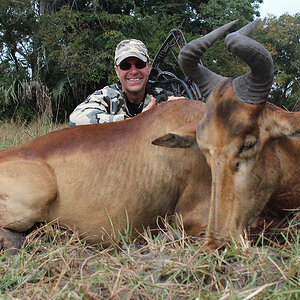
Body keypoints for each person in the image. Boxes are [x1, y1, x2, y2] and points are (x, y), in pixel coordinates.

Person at [69, 39, 175, 126]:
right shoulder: (106, 96)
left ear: (148, 67)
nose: (133, 71)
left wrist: (182, 107)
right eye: (125, 66)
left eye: (139, 64)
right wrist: (134, 122)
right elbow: (76, 119)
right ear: (117, 71)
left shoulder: (165, 99)